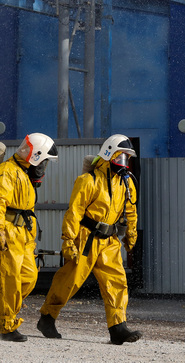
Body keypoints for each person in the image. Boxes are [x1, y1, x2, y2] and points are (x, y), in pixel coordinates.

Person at [37, 134, 141, 345]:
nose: (124, 164)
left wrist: (131, 234)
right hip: (85, 238)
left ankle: (117, 327)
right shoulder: (88, 181)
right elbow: (74, 212)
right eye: (120, 158)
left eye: (127, 159)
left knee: (117, 283)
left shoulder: (126, 184)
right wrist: (68, 240)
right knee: (70, 281)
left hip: (109, 240)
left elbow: (130, 210)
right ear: (108, 155)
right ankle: (47, 318)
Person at [0, 133, 58, 342]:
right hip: (5, 231)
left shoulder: (25, 175)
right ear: (34, 156)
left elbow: (27, 210)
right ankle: (7, 326)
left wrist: (31, 238)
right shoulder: (6, 171)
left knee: (28, 278)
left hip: (22, 234)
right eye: (43, 161)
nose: (44, 166)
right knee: (9, 281)